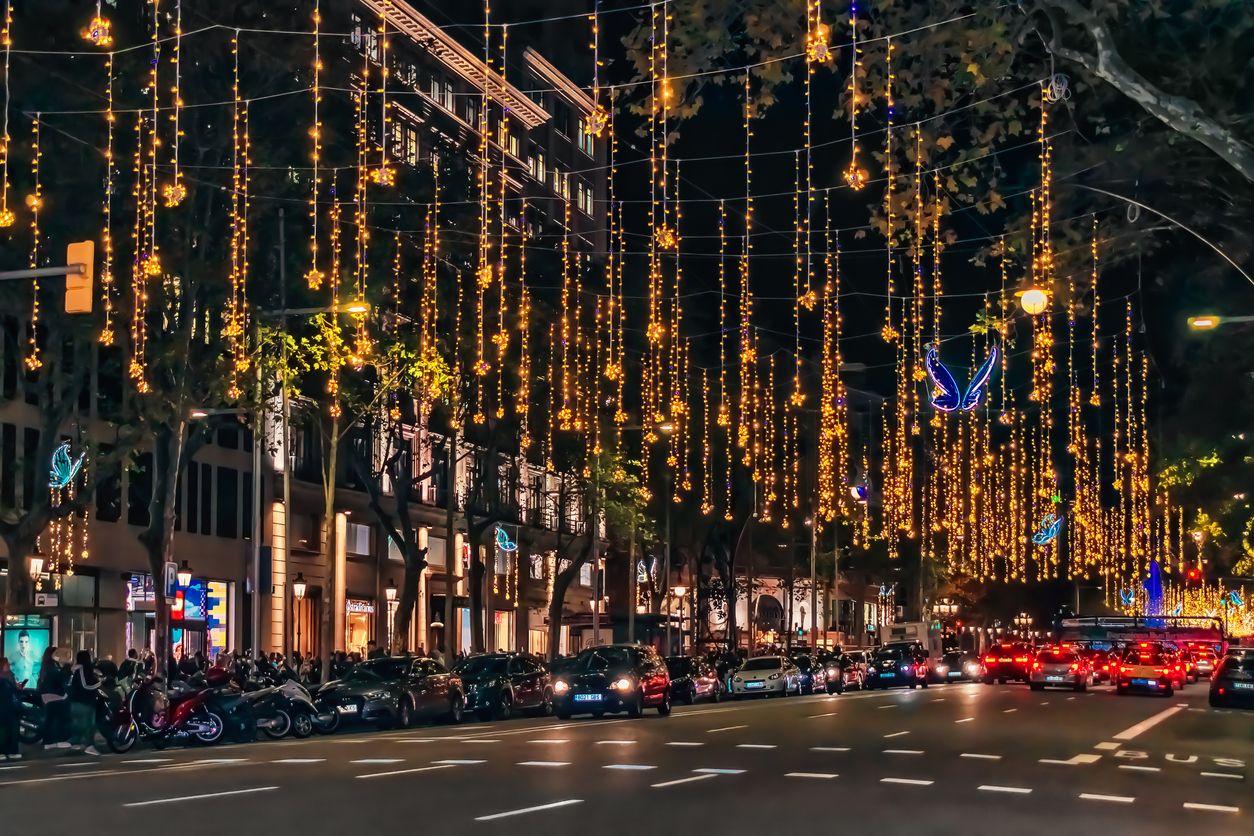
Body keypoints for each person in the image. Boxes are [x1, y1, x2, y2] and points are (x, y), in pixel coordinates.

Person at [68, 650, 101, 755]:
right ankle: (89, 746)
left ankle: (75, 743)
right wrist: (99, 683)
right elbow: (85, 685)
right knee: (89, 725)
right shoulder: (82, 669)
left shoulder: (76, 669)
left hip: (75, 701)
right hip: (84, 701)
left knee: (79, 724)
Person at [36, 647, 70, 750]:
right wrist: (66, 669)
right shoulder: (52, 667)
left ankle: (48, 741)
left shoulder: (46, 665)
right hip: (54, 695)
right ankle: (59, 741)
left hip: (47, 695)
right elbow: (59, 679)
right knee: (60, 718)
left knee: (50, 719)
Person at [0, 657, 21, 760]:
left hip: (8, 707)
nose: (8, 665)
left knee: (8, 730)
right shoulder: (6, 677)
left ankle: (7, 751)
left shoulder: (8, 676)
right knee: (8, 730)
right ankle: (10, 751)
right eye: (6, 664)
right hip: (8, 707)